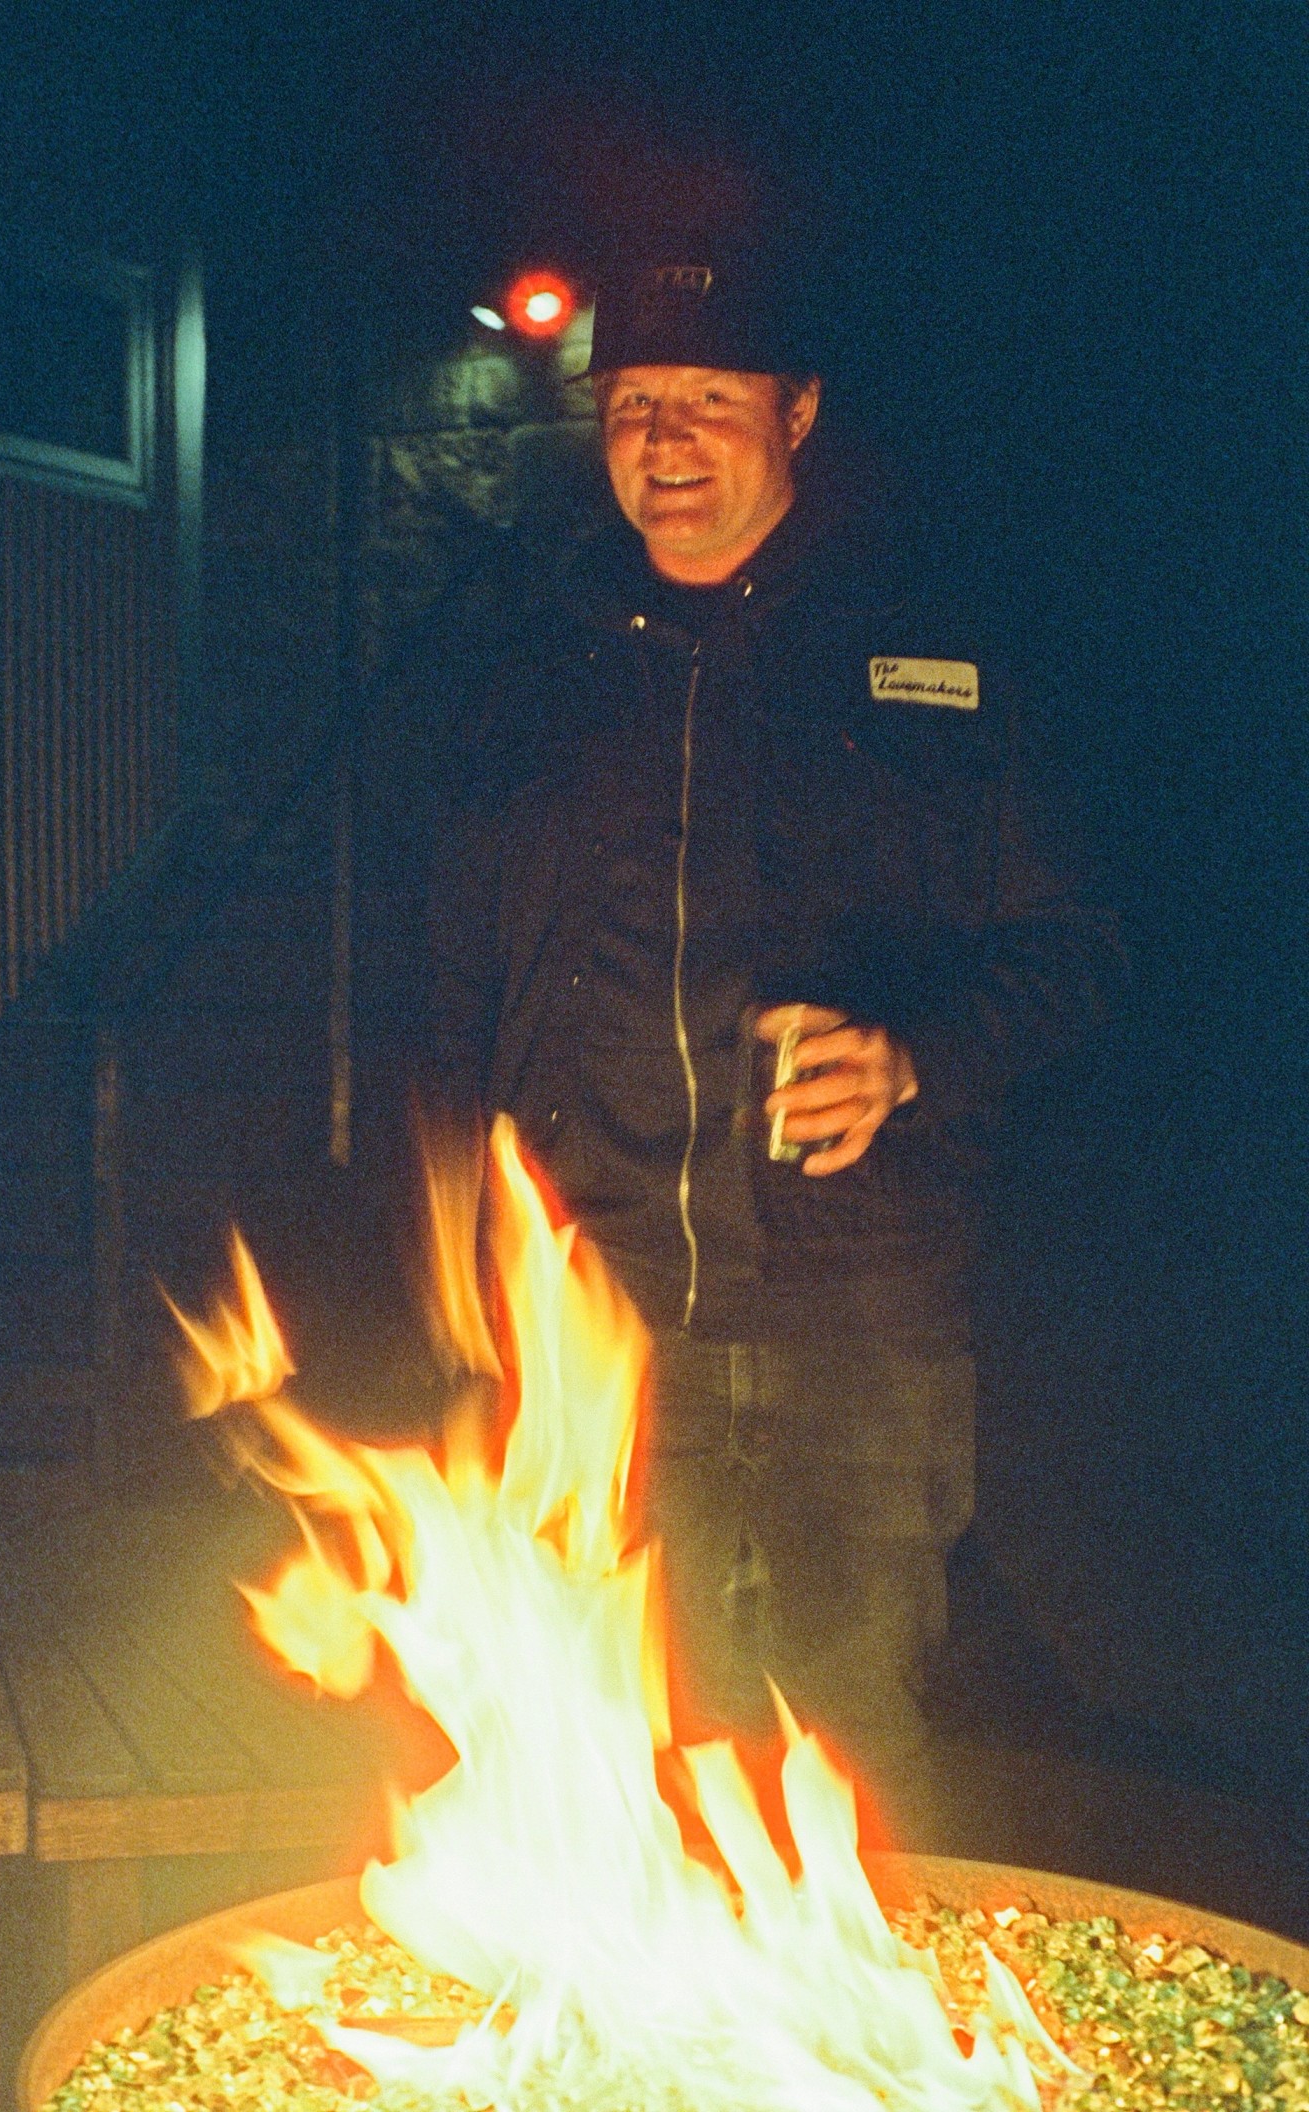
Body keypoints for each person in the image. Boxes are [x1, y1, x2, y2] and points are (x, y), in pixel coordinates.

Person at [425, 240, 1122, 1841]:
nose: (664, 443)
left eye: (710, 402)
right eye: (632, 404)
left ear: (798, 412)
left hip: (859, 1318)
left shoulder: (938, 663)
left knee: (853, 1747)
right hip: (597, 1318)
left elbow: (1081, 946)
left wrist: (917, 1055)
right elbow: (453, 990)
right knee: (617, 1743)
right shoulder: (532, 675)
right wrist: (473, 1234)